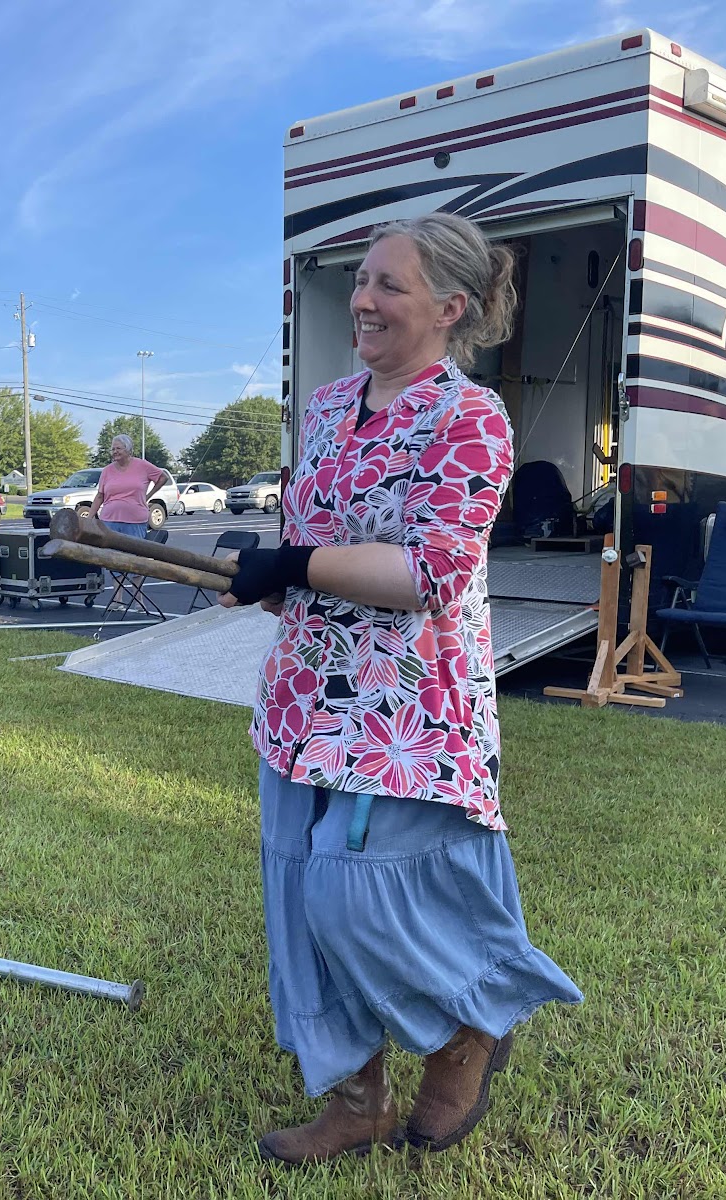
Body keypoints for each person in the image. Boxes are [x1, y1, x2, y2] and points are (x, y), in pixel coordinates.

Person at [219, 212, 582, 1164]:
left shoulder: (472, 418)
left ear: (451, 307)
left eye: (390, 284)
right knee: (303, 906)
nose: (364, 300)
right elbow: (318, 542)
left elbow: (432, 572)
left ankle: (470, 1028)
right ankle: (359, 1100)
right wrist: (274, 579)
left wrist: (297, 563)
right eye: (362, 280)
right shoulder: (330, 406)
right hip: (305, 693)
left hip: (407, 707)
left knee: (356, 897)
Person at [89, 433, 167, 539]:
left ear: (128, 450)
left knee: (135, 549)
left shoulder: (143, 466)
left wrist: (148, 496)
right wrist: (89, 518)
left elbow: (163, 478)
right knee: (109, 549)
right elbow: (100, 496)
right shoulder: (107, 471)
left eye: (118, 448)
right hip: (109, 521)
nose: (115, 451)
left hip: (135, 521)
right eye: (113, 449)